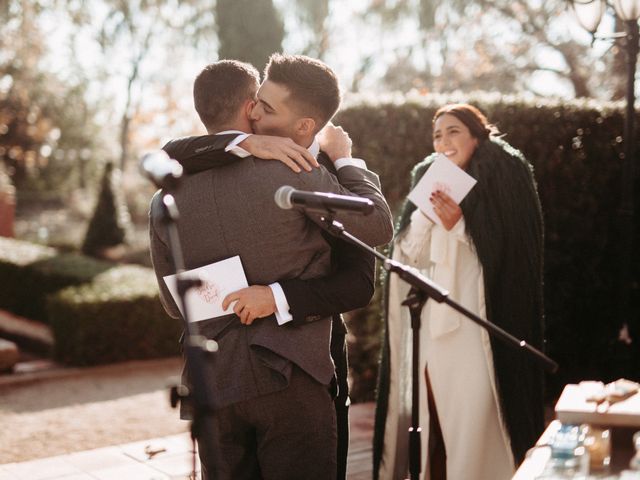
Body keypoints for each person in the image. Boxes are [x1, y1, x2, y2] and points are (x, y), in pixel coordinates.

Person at [149, 58, 393, 480]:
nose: (261, 113)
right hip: (291, 374)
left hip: (214, 381)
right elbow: (377, 225)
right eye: (258, 102)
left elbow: (175, 304)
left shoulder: (164, 198)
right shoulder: (290, 167)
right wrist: (348, 161)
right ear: (249, 107)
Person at [372, 103, 545, 479]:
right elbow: (406, 256)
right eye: (437, 134)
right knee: (430, 419)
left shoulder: (504, 176)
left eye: (453, 131)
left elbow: (512, 253)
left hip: (477, 324)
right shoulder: (428, 179)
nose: (443, 141)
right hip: (432, 327)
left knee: (474, 418)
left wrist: (461, 226)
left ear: (476, 137)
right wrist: (424, 218)